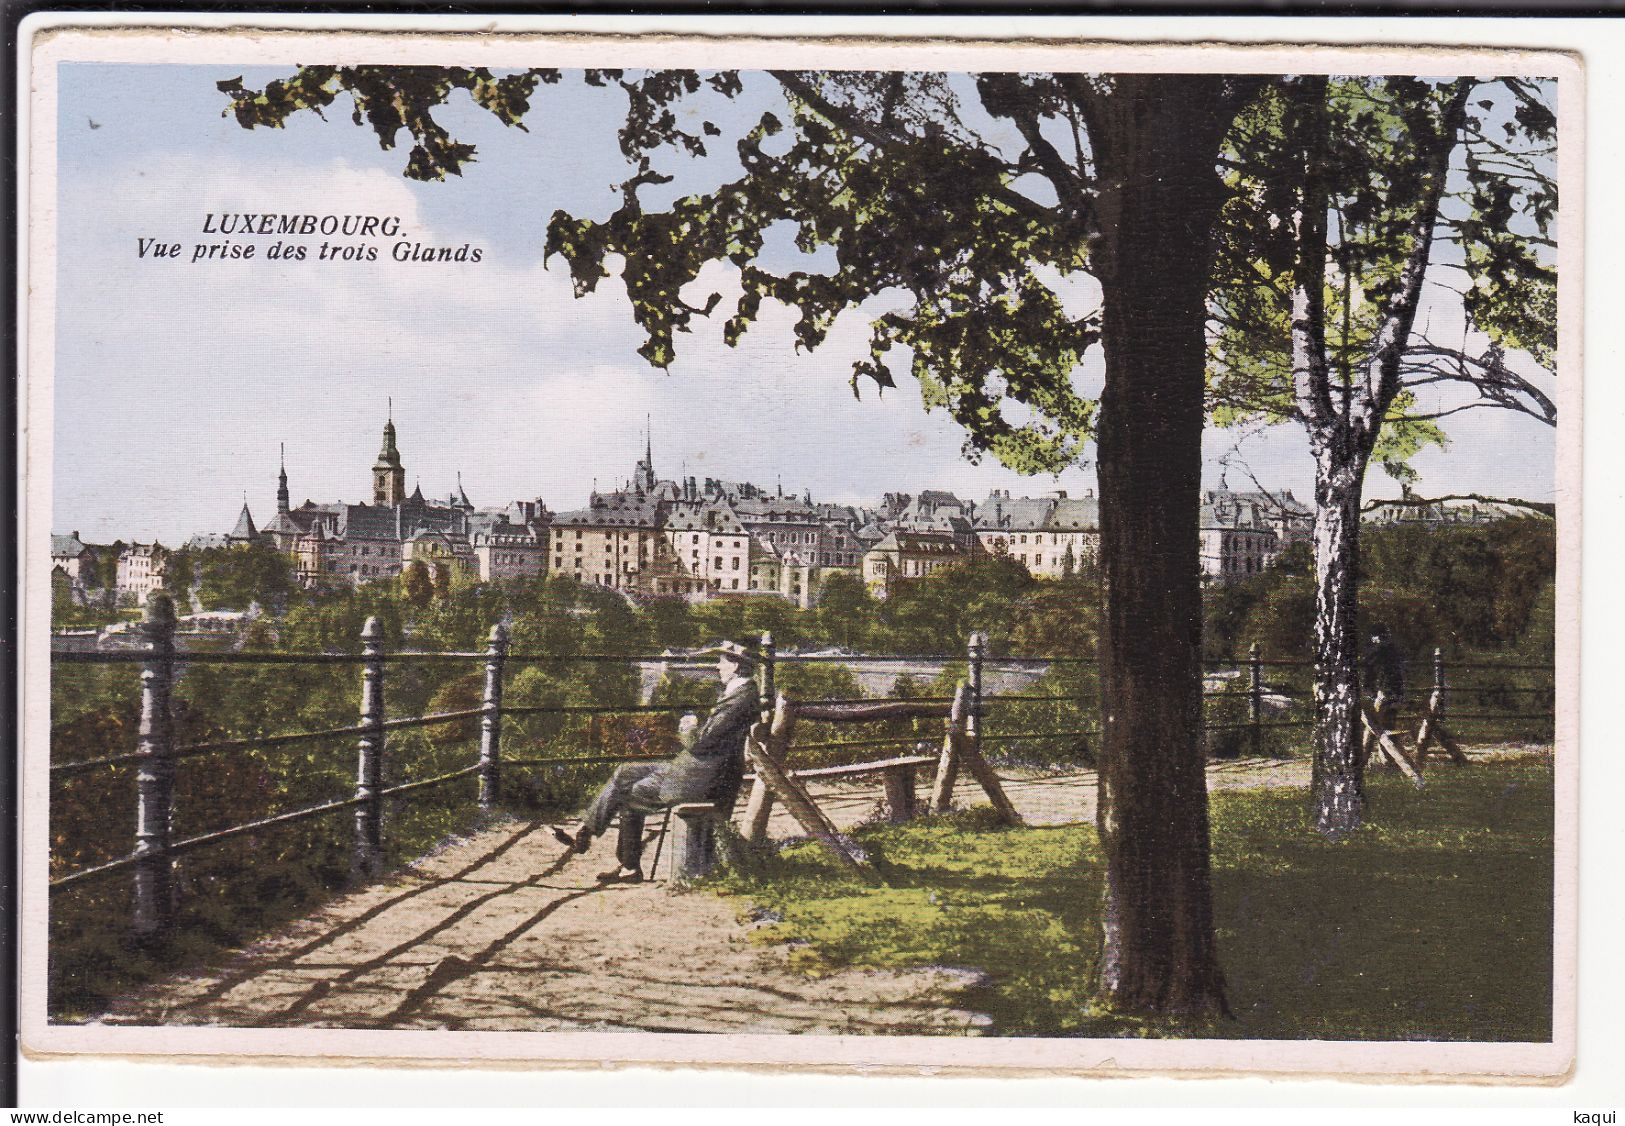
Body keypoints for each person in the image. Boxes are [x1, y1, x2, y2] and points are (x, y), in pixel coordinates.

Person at [552, 640, 760, 883]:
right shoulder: (740, 693)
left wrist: (688, 730)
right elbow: (711, 736)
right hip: (698, 768)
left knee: (631, 795)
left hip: (703, 777)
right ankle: (584, 830)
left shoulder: (739, 699)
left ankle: (628, 866)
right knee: (625, 772)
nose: (717, 667)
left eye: (721, 661)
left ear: (735, 665)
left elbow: (704, 741)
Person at [1360, 624, 1406, 765]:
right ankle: (1385, 760)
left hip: (1385, 694)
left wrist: (1378, 694)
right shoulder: (1386, 652)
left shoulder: (1381, 652)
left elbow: (1376, 676)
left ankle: (1370, 760)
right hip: (1387, 694)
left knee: (1377, 726)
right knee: (1381, 726)